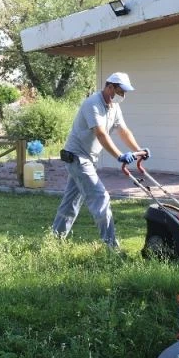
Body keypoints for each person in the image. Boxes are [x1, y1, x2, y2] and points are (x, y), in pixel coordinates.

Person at [52, 72, 149, 250]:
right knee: (101, 197)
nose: (123, 96)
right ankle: (112, 248)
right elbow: (101, 133)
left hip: (88, 159)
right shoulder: (93, 103)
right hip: (77, 158)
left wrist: (138, 150)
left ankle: (54, 241)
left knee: (70, 204)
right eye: (120, 92)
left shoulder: (114, 107)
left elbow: (123, 131)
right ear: (109, 86)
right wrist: (120, 155)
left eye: (124, 93)